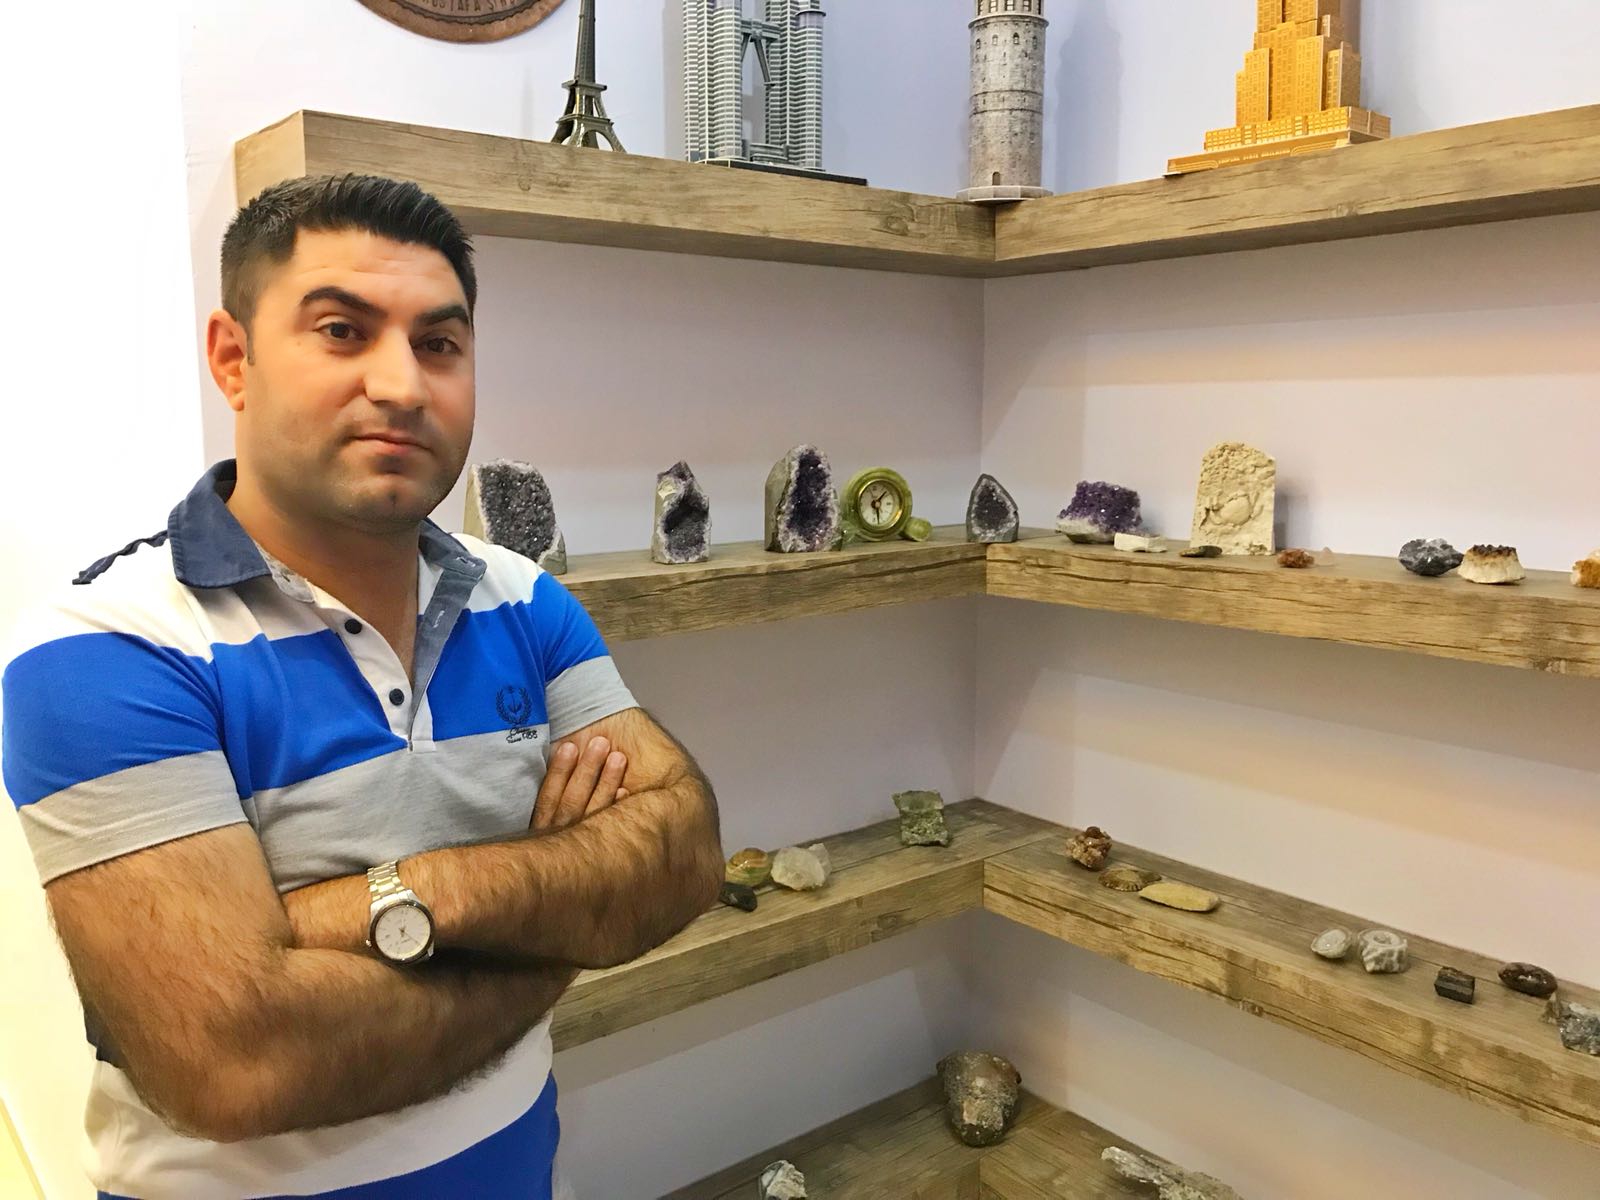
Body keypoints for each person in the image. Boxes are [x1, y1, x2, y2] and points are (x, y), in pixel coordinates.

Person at [0, 174, 724, 1199]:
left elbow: (683, 855)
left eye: (440, 343)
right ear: (233, 359)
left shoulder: (523, 599)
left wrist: (398, 900)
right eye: (341, 331)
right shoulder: (106, 648)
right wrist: (572, 919)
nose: (403, 385)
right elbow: (237, 1065)